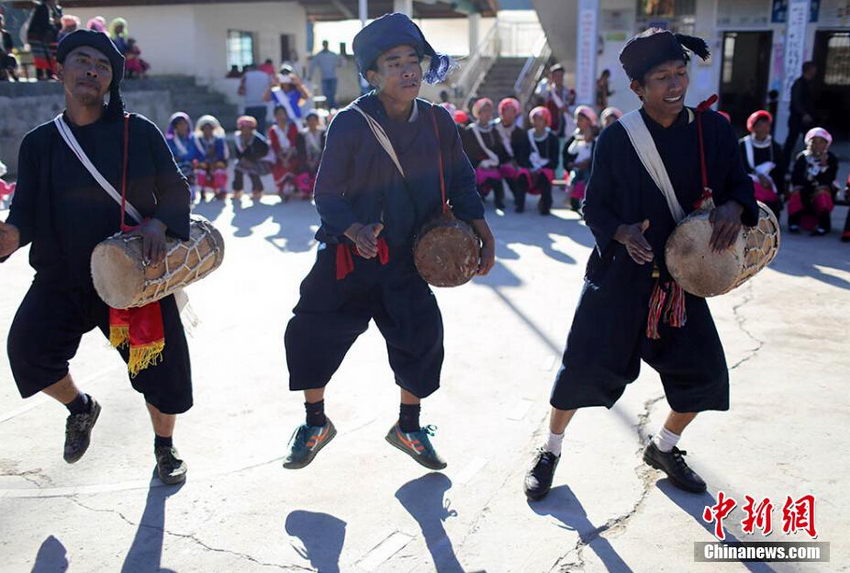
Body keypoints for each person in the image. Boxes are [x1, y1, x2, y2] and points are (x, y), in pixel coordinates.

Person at [523, 28, 758, 501]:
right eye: (661, 78)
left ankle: (665, 447)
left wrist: (735, 207)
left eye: (679, 73)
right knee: (581, 368)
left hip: (681, 282)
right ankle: (550, 451)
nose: (674, 85)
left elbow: (740, 184)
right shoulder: (617, 139)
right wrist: (621, 232)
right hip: (621, 276)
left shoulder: (712, 130)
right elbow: (593, 206)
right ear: (637, 88)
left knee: (707, 374)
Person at [281, 12, 495, 472]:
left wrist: (481, 229)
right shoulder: (351, 123)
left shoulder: (439, 122)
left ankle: (409, 427)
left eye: (413, 59)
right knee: (311, 333)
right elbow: (327, 192)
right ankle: (315, 422)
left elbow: (461, 180)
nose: (407, 69)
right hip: (349, 257)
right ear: (373, 75)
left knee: (421, 340)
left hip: (409, 259)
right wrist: (354, 229)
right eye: (393, 62)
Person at [0, 30, 193, 484]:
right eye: (82, 61)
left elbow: (175, 188)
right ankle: (80, 407)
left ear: (111, 81)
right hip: (62, 275)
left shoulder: (137, 132)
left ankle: (164, 448)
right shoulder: (39, 144)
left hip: (129, 277)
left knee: (163, 373)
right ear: (59, 70)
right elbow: (25, 212)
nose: (91, 70)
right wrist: (10, 236)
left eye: (103, 66)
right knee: (27, 351)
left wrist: (157, 223)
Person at [788, 127, 838, 236]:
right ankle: (793, 223)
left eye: (821, 142)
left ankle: (823, 225)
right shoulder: (802, 157)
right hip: (805, 189)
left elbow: (830, 179)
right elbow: (796, 177)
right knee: (795, 192)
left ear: (826, 144)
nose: (817, 145)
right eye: (814, 142)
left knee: (822, 193)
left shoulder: (831, 158)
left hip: (822, 189)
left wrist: (824, 166)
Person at [461, 97, 508, 210]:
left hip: (492, 163)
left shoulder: (494, 130)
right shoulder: (471, 131)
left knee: (498, 177)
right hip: (477, 165)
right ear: (478, 113)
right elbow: (468, 152)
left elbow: (499, 149)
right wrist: (481, 163)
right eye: (484, 111)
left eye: (489, 111)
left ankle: (499, 201)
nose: (487, 114)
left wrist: (493, 162)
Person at [739, 110, 784, 218]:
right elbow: (740, 166)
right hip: (749, 180)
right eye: (760, 126)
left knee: (771, 201)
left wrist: (770, 181)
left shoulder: (775, 147)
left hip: (768, 183)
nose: (764, 130)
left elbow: (779, 169)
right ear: (752, 127)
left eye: (767, 126)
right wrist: (758, 176)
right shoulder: (743, 145)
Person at [494, 97, 533, 213]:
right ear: (502, 111)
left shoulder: (520, 132)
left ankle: (519, 202)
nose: (510, 115)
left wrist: (518, 162)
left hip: (517, 163)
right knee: (505, 170)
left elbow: (524, 152)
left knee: (522, 174)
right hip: (499, 162)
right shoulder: (494, 129)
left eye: (513, 112)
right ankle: (499, 201)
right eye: (507, 111)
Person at [562, 105, 599, 212]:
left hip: (590, 169)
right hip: (576, 168)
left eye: (581, 120)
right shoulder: (574, 138)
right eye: (577, 119)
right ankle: (570, 199)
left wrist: (588, 163)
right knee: (573, 179)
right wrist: (571, 164)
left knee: (589, 182)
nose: (577, 122)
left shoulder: (597, 139)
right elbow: (568, 154)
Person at [523, 106, 559, 215]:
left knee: (545, 175)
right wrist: (530, 167)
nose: (537, 122)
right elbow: (523, 156)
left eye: (540, 119)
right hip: (530, 166)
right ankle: (519, 203)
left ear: (546, 121)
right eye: (535, 119)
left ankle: (545, 205)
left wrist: (541, 168)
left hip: (546, 168)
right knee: (521, 174)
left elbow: (554, 160)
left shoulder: (552, 138)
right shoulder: (526, 136)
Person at [782, 61, 818, 170]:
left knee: (809, 144)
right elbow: (796, 101)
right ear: (808, 70)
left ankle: (807, 167)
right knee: (791, 143)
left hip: (807, 119)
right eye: (813, 69)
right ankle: (784, 166)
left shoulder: (810, 83)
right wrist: (804, 113)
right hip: (797, 119)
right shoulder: (798, 84)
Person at [232, 115, 271, 201]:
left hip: (262, 161)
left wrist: (251, 160)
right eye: (243, 128)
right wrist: (243, 160)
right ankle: (238, 190)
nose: (245, 131)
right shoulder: (238, 138)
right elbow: (238, 153)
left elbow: (263, 152)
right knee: (237, 168)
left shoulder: (258, 140)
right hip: (245, 161)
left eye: (248, 128)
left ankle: (257, 190)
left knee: (252, 170)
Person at [192, 114, 229, 200]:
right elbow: (198, 154)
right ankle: (202, 190)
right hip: (205, 163)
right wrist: (206, 162)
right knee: (201, 170)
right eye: (205, 128)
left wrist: (215, 162)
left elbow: (223, 154)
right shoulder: (198, 141)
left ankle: (221, 190)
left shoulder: (219, 140)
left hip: (216, 163)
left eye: (210, 128)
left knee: (219, 169)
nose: (207, 131)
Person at [268, 104, 300, 200]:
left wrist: (287, 158)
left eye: (282, 114)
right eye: (278, 114)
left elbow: (294, 143)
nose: (281, 116)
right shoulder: (273, 130)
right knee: (279, 167)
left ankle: (293, 187)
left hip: (292, 153)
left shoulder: (292, 127)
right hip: (280, 155)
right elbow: (275, 147)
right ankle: (282, 189)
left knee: (293, 164)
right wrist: (283, 159)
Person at [293, 109, 325, 199]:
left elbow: (325, 149)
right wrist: (306, 161)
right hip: (306, 159)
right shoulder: (301, 134)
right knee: (303, 169)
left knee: (321, 169)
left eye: (314, 120)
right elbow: (300, 150)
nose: (312, 122)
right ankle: (305, 191)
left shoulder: (323, 133)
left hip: (321, 159)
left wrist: (318, 160)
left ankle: (319, 192)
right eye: (310, 120)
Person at [27, 0, 63, 80]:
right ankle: (40, 75)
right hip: (36, 36)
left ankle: (50, 74)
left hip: (48, 37)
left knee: (49, 56)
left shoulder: (56, 9)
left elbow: (59, 26)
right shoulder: (42, 7)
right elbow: (42, 24)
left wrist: (57, 23)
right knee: (40, 55)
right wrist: (53, 24)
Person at [165, 112, 197, 200]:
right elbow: (171, 153)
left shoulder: (192, 138)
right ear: (175, 126)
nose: (183, 126)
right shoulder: (170, 140)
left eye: (185, 124)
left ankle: (192, 190)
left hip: (190, 164)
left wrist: (184, 158)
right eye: (180, 124)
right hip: (177, 164)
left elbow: (194, 152)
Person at [238, 63, 273, 134]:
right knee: (261, 128)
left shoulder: (246, 76)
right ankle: (261, 144)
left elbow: (240, 91)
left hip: (250, 105)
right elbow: (270, 88)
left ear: (249, 69)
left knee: (249, 129)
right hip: (262, 104)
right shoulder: (265, 75)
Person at [544, 64, 575, 137]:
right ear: (552, 77)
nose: (558, 78)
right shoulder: (547, 92)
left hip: (566, 126)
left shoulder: (568, 92)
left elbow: (570, 107)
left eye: (560, 76)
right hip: (551, 126)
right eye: (556, 76)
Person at [310, 40, 341, 109]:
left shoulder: (332, 54)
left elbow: (341, 61)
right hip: (324, 78)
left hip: (333, 78)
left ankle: (334, 108)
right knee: (327, 94)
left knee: (332, 94)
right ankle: (330, 108)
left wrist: (339, 64)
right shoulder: (319, 55)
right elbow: (313, 65)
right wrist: (310, 76)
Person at [1, 14, 19, 81]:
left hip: (6, 54)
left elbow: (10, 47)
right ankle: (3, 74)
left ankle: (13, 73)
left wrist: (7, 52)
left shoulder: (6, 35)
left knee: (11, 57)